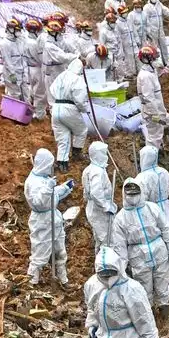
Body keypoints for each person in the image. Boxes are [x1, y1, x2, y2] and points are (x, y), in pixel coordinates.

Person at [111, 177, 169, 328]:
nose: (133, 196)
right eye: (129, 193)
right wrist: (121, 267)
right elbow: (119, 246)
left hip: (159, 250)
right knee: (144, 288)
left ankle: (165, 317)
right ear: (124, 194)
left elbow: (166, 229)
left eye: (135, 192)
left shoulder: (152, 208)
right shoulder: (120, 218)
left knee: (162, 283)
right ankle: (150, 320)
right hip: (138, 255)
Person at [23, 149, 74, 287]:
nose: (52, 168)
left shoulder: (44, 178)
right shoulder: (32, 182)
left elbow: (52, 197)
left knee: (60, 252)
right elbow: (39, 202)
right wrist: (48, 188)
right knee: (40, 253)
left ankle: (63, 280)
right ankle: (31, 283)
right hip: (42, 221)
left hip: (54, 219)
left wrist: (64, 188)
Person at [49, 59, 93, 173]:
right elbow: (80, 100)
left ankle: (62, 162)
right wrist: (84, 109)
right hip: (69, 108)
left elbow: (51, 89)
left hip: (56, 107)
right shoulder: (78, 80)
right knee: (81, 130)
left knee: (62, 136)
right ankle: (76, 153)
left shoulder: (61, 75)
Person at [136, 46, 169, 149]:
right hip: (152, 114)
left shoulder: (152, 72)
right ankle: (151, 158)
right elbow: (148, 99)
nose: (157, 60)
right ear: (147, 60)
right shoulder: (145, 76)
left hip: (160, 111)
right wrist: (156, 117)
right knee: (155, 136)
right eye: (154, 58)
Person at [82, 140, 118, 251]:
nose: (105, 156)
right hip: (100, 211)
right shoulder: (97, 172)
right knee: (107, 241)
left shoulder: (89, 169)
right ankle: (107, 266)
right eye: (103, 154)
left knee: (100, 238)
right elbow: (96, 193)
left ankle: (98, 263)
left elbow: (86, 193)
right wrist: (106, 206)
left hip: (94, 208)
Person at [134, 145, 169, 223]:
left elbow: (140, 199)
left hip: (151, 212)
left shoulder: (142, 177)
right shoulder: (164, 172)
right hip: (166, 209)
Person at [42, 20, 76, 109]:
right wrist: (75, 57)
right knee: (53, 98)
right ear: (53, 32)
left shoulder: (59, 41)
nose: (60, 33)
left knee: (61, 95)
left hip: (61, 70)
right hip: (52, 72)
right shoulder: (48, 45)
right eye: (58, 32)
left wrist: (77, 53)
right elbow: (61, 56)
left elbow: (71, 48)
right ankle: (53, 118)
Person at [142, 0, 169, 67]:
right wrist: (148, 32)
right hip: (152, 31)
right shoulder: (146, 8)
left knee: (163, 45)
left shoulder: (159, 4)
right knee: (154, 48)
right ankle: (155, 63)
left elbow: (166, 11)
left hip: (160, 30)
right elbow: (145, 21)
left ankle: (166, 62)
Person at [0, 18, 28, 101]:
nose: (19, 32)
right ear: (11, 30)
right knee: (15, 95)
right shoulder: (4, 44)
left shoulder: (18, 41)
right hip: (12, 74)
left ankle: (25, 113)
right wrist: (12, 75)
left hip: (21, 72)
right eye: (17, 30)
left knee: (25, 95)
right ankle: (13, 113)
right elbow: (7, 62)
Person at [23, 19, 47, 118]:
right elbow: (40, 58)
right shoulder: (34, 43)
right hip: (36, 68)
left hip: (27, 68)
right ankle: (39, 115)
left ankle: (27, 112)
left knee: (29, 90)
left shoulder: (24, 40)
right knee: (39, 93)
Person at [114, 6, 138, 80]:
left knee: (137, 57)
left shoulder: (129, 20)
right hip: (126, 45)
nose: (126, 14)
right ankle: (130, 74)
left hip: (133, 43)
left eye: (126, 12)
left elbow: (134, 30)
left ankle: (137, 72)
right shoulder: (118, 23)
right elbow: (118, 37)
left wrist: (137, 39)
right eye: (124, 13)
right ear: (120, 14)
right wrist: (121, 49)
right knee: (129, 60)